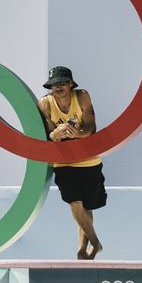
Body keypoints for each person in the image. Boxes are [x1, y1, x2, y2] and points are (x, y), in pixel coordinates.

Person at [37, 66, 107, 260]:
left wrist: (78, 134)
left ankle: (82, 249)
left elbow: (91, 126)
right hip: (63, 162)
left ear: (70, 84)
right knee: (74, 203)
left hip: (89, 160)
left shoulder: (82, 96)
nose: (57, 88)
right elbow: (48, 135)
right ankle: (96, 242)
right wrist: (55, 134)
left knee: (87, 207)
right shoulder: (45, 103)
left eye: (61, 83)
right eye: (53, 84)